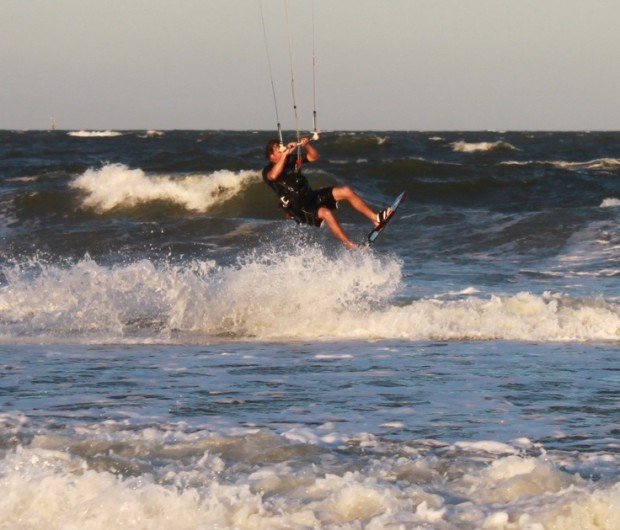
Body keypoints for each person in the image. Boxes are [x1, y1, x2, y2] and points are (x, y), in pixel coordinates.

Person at [262, 137, 390, 249]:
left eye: (280, 145)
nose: (281, 148)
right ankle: (349, 245)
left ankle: (375, 218)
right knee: (326, 213)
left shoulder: (291, 160)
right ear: (271, 156)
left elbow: (314, 157)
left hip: (310, 196)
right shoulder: (267, 170)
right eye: (277, 148)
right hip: (299, 207)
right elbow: (273, 176)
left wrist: (306, 144)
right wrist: (285, 155)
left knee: (346, 191)